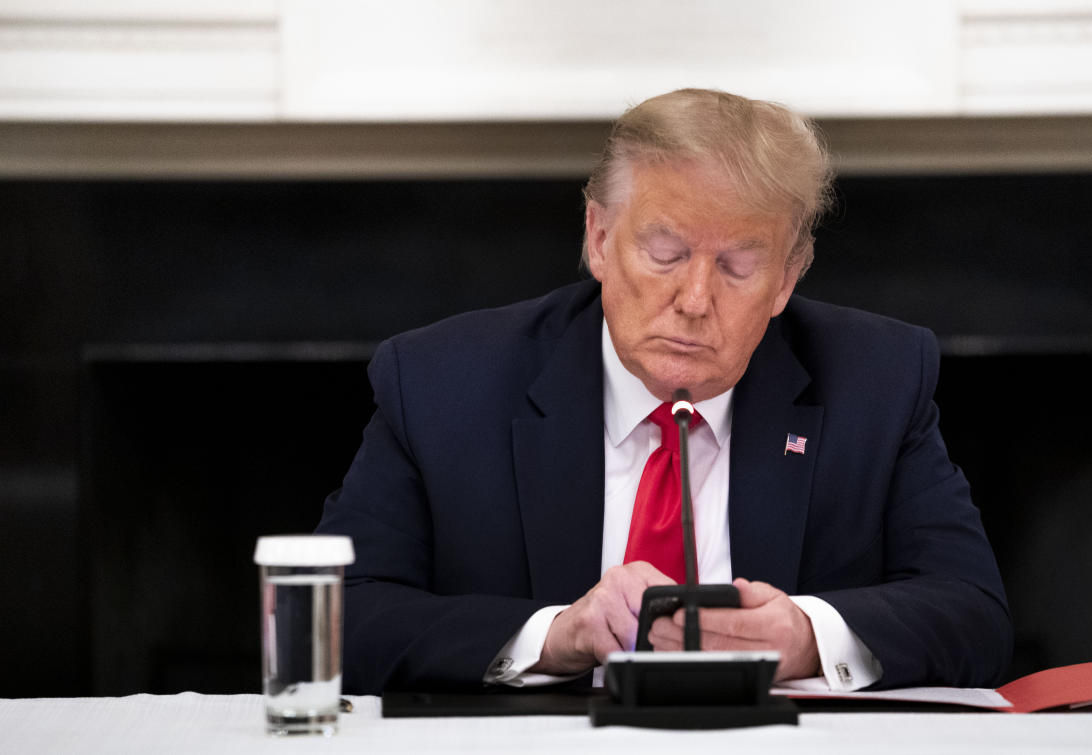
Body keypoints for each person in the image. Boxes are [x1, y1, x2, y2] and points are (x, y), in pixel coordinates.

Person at [314, 88, 1011, 694]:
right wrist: (553, 635)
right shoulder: (444, 383)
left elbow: (974, 611)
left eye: (738, 265)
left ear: (788, 279)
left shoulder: (876, 380)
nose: (696, 298)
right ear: (599, 237)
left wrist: (805, 635)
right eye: (666, 253)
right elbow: (332, 617)